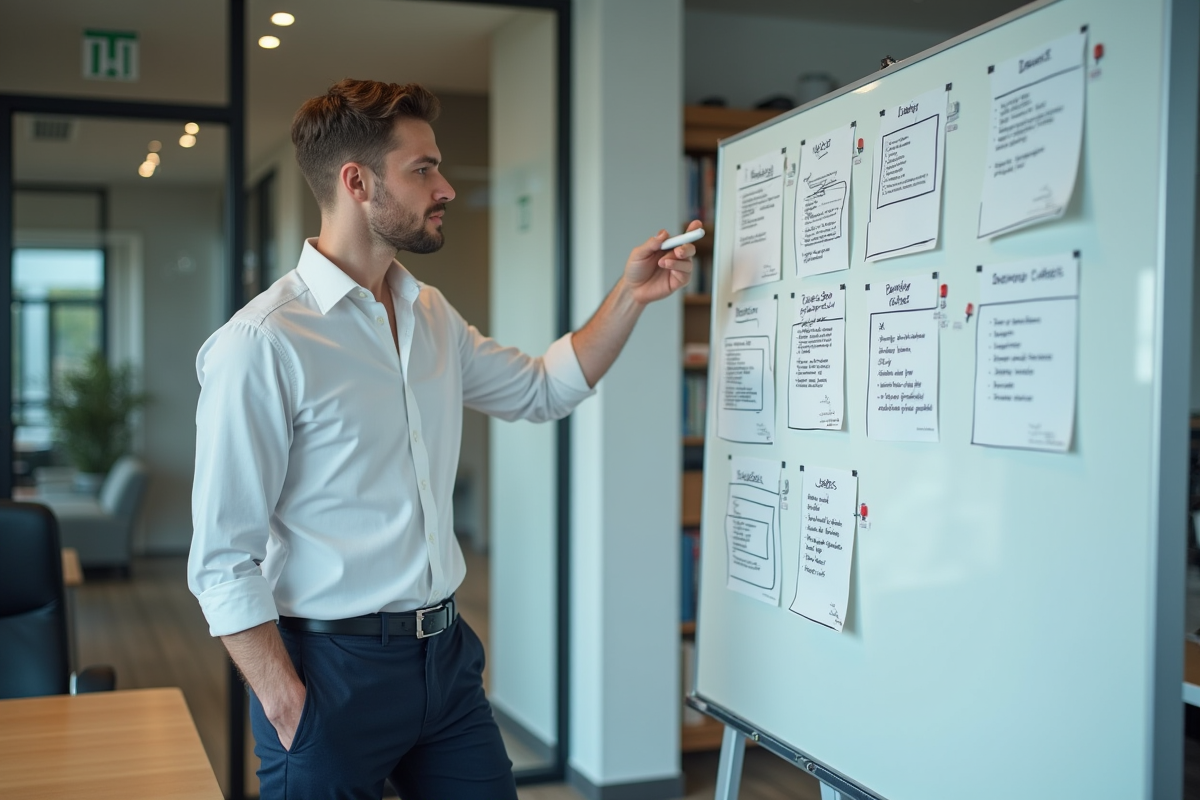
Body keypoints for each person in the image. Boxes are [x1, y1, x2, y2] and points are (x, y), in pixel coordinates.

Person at [187, 78, 699, 800]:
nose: (447, 187)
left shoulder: (429, 313)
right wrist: (287, 705)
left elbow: (541, 389)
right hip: (329, 674)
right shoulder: (262, 342)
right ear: (357, 182)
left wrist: (630, 295)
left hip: (446, 665)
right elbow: (221, 559)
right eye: (423, 169)